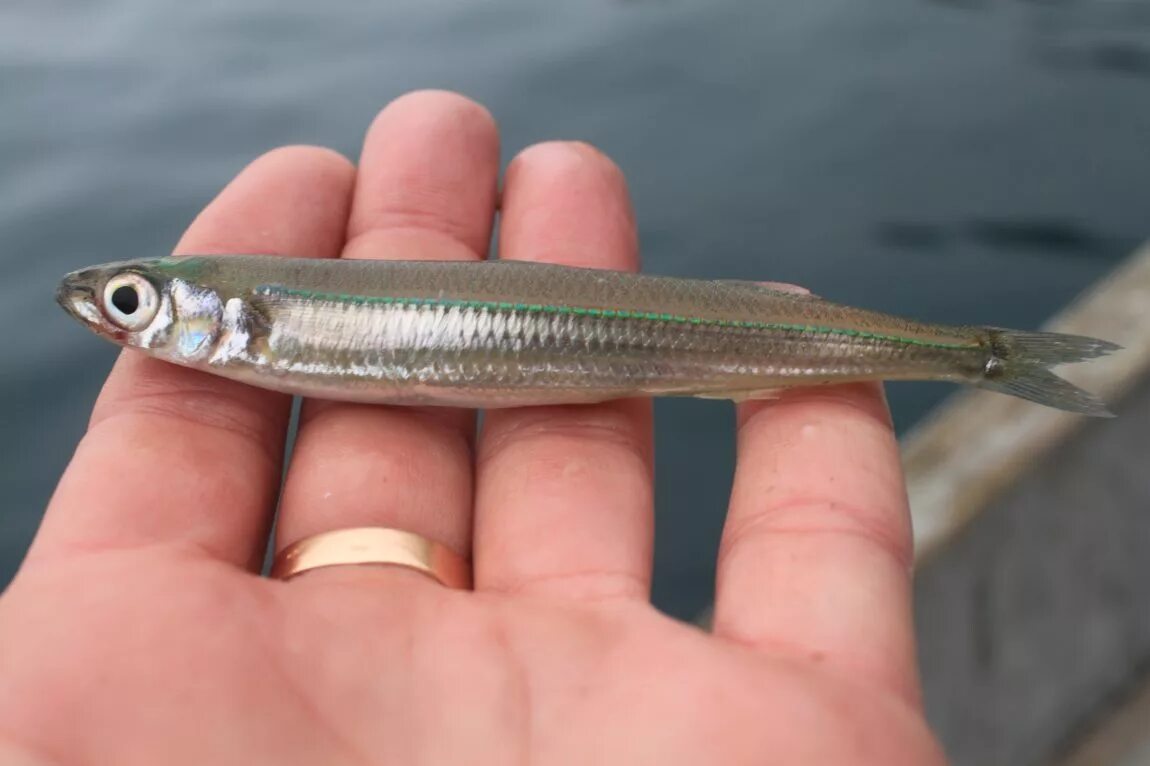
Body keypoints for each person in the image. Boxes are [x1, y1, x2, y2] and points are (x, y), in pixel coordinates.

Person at [0, 91, 945, 765]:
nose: (116, 316)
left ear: (232, 315)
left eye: (130, 303)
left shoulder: (260, 324)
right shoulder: (251, 322)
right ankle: (968, 353)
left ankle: (969, 354)